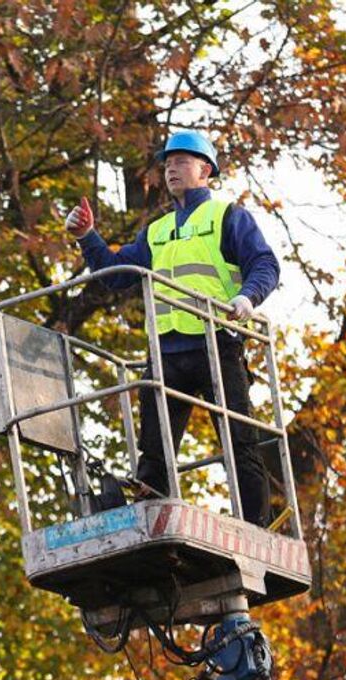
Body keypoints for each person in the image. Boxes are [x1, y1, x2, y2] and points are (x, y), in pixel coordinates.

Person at [65, 131, 280, 525]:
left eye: (181, 161)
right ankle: (150, 519)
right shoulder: (157, 230)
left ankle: (257, 526)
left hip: (217, 342)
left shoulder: (227, 216)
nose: (171, 170)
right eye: (167, 164)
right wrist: (87, 238)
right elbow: (115, 275)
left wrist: (247, 298)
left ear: (205, 170)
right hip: (168, 353)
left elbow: (264, 264)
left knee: (239, 442)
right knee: (155, 452)